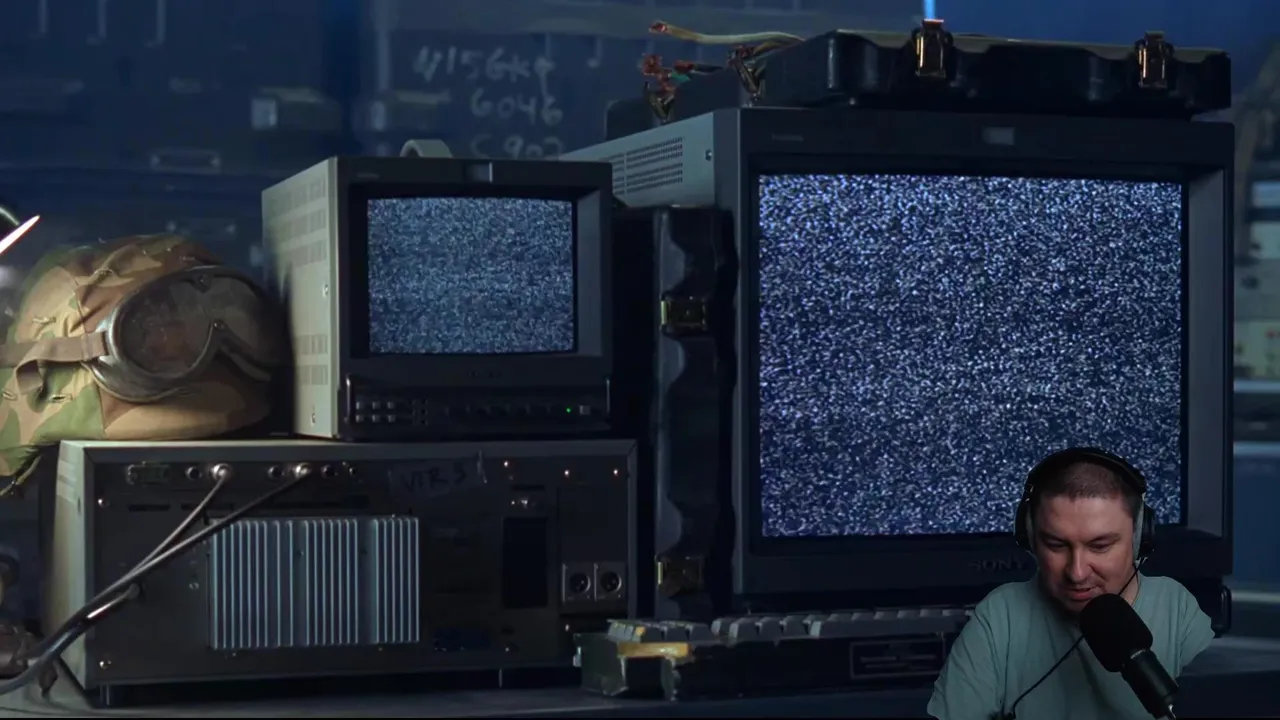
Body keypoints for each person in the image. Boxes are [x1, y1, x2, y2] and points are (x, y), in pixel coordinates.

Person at [927, 447, 1215, 720]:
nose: (1076, 573)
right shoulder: (1001, 616)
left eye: (1100, 546)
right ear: (1030, 538)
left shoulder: (1177, 608)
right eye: (1056, 545)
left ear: (1139, 539)